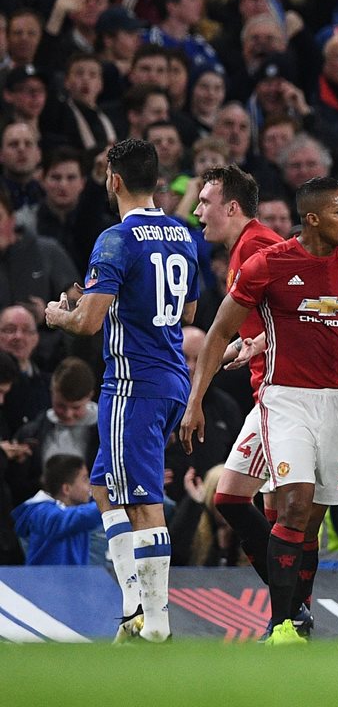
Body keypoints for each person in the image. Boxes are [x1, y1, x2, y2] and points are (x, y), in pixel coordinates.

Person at [179, 176, 338, 646]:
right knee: (293, 506)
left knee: (312, 518)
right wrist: (195, 401)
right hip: (283, 398)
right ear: (312, 219)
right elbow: (219, 332)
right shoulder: (269, 263)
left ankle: (296, 615)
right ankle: (283, 623)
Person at [44, 138, 200, 643]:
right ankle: (135, 604)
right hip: (172, 374)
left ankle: (155, 623)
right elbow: (189, 313)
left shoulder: (115, 238)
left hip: (134, 380)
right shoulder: (182, 233)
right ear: (155, 180)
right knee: (103, 488)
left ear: (113, 180)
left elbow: (86, 324)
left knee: (142, 499)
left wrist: (57, 315)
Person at [190, 164, 306, 634]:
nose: (197, 210)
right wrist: (250, 344)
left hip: (285, 396)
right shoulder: (244, 247)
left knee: (241, 501)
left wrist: (255, 345)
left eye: (204, 201)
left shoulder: (256, 246)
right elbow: (274, 318)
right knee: (249, 503)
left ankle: (291, 611)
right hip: (269, 392)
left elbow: (299, 309)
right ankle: (292, 612)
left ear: (231, 207)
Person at [12, 453, 103, 565]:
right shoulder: (40, 512)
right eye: (84, 479)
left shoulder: (78, 509)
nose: (90, 484)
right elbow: (65, 519)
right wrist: (105, 504)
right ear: (66, 489)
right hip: (44, 581)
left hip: (76, 580)